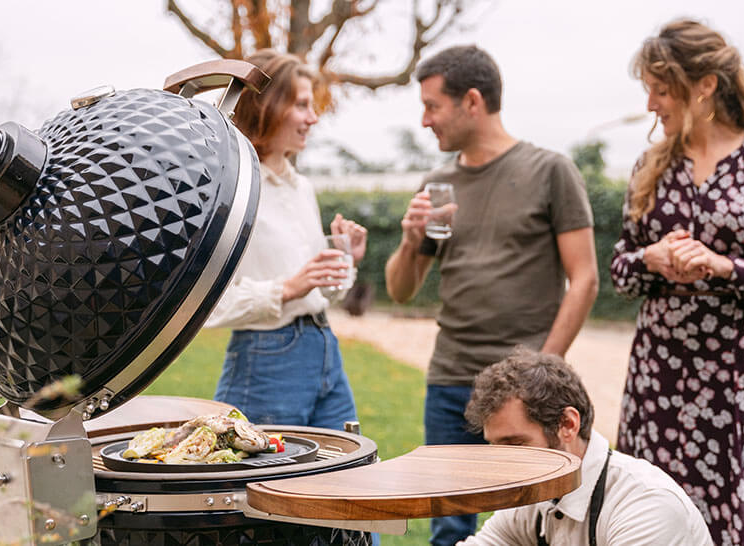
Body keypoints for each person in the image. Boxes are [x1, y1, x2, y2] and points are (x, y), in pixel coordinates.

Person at [384, 44, 599, 545]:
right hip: (450, 382)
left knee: (544, 521)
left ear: (472, 101)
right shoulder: (438, 185)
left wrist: (544, 368)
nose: (424, 120)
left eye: (433, 106)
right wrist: (412, 236)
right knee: (451, 528)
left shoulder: (551, 171)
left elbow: (585, 278)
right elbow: (400, 290)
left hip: (528, 394)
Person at [609, 19, 744, 545]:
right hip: (660, 382)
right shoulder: (650, 166)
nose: (651, 104)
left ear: (705, 86)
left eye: (661, 89)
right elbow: (619, 270)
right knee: (651, 515)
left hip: (741, 382)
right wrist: (649, 259)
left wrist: (726, 268)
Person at [204, 49, 367, 431]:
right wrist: (287, 289)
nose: (313, 118)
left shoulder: (302, 188)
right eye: (302, 105)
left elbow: (323, 292)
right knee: (265, 485)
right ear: (268, 107)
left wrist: (345, 260)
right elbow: (208, 307)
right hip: (266, 360)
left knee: (343, 475)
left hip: (324, 346)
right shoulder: (232, 190)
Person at [458, 347, 713, 545]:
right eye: (495, 447)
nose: (502, 465)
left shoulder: (646, 507)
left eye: (516, 444)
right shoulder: (535, 491)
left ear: (568, 424)